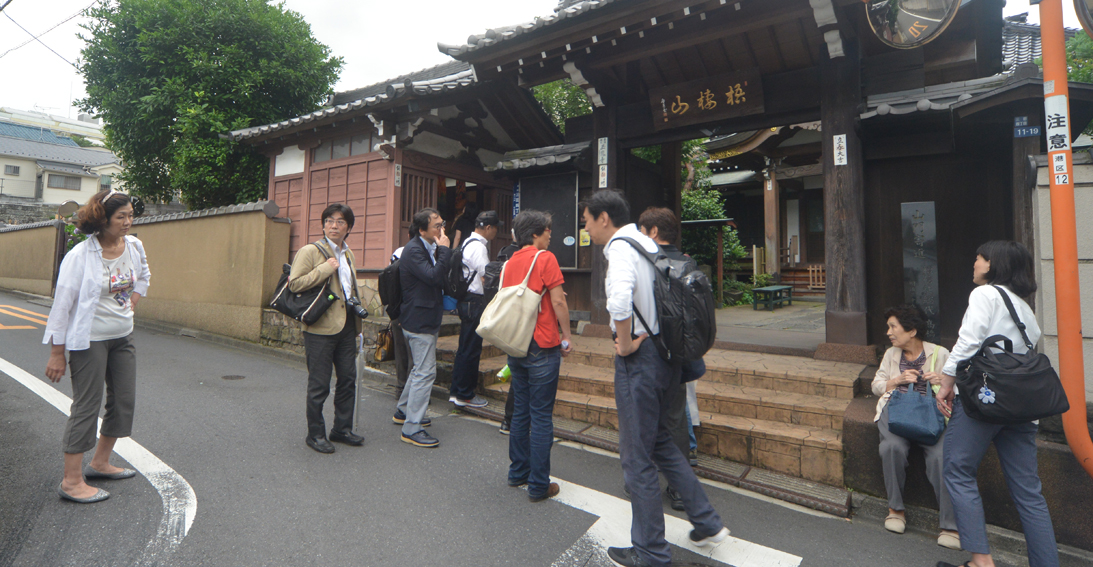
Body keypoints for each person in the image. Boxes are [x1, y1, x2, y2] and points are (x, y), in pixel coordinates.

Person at [580, 190, 728, 567]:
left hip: (640, 361)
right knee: (661, 441)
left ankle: (650, 553)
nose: (585, 227)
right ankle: (706, 520)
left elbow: (618, 301)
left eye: (586, 220)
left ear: (603, 218)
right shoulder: (647, 242)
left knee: (637, 459)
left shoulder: (619, 248)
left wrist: (625, 343)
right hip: (667, 358)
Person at [937, 241, 1059, 567]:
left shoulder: (985, 295)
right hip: (1021, 408)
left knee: (958, 471)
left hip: (984, 401)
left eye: (978, 258)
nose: (974, 263)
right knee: (1029, 493)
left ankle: (981, 561)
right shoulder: (1025, 308)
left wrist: (947, 380)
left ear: (992, 264)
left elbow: (970, 340)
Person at [44, 189, 151, 503]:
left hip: (123, 336)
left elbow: (143, 276)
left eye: (131, 215)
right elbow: (62, 305)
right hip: (88, 340)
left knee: (124, 401)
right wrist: (56, 352)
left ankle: (100, 462)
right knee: (87, 406)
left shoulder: (134, 246)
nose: (128, 222)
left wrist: (132, 302)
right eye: (122, 217)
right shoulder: (81, 255)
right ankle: (71, 480)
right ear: (103, 219)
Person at [871, 304, 959, 549]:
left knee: (941, 456)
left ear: (911, 331)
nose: (889, 332)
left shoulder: (940, 353)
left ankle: (949, 525)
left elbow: (957, 388)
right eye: (888, 327)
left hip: (931, 414)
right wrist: (896, 380)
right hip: (897, 412)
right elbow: (876, 385)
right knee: (891, 447)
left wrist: (943, 381)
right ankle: (895, 510)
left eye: (893, 327)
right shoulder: (891, 354)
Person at [501, 210, 573, 502]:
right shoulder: (545, 259)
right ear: (535, 234)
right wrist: (566, 336)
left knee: (521, 411)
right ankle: (539, 484)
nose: (550, 236)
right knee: (541, 416)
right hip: (543, 344)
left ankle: (518, 472)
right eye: (547, 232)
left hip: (516, 343)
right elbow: (558, 300)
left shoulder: (509, 262)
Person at [636, 206, 702, 510]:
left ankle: (641, 480)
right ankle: (678, 488)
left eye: (641, 229)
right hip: (681, 355)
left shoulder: (650, 263)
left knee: (644, 418)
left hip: (651, 353)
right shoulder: (688, 262)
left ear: (652, 233)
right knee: (676, 418)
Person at [289, 203, 366, 454]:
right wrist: (325, 268)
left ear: (349, 228)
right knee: (319, 384)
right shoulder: (310, 251)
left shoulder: (348, 254)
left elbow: (349, 289)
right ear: (323, 225)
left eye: (340, 222)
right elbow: (295, 285)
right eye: (330, 221)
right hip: (319, 328)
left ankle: (341, 429)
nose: (334, 225)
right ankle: (316, 434)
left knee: (347, 380)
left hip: (345, 327)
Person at [394, 208, 451, 448]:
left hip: (422, 315)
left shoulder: (425, 246)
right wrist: (446, 250)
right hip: (419, 319)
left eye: (441, 223)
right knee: (425, 372)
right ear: (422, 230)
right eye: (437, 225)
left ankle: (403, 411)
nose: (441, 229)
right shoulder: (415, 250)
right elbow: (434, 276)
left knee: (419, 369)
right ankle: (412, 428)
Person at [448, 211, 499, 409]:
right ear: (488, 228)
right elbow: (487, 278)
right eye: (495, 228)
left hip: (465, 300)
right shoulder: (478, 248)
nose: (495, 232)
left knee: (464, 348)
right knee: (471, 349)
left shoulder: (467, 242)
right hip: (474, 302)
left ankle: (456, 391)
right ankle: (465, 395)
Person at [389, 246, 410, 398]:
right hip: (406, 313)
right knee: (412, 355)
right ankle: (407, 391)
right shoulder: (414, 255)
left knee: (400, 351)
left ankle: (400, 388)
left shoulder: (397, 255)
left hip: (396, 312)